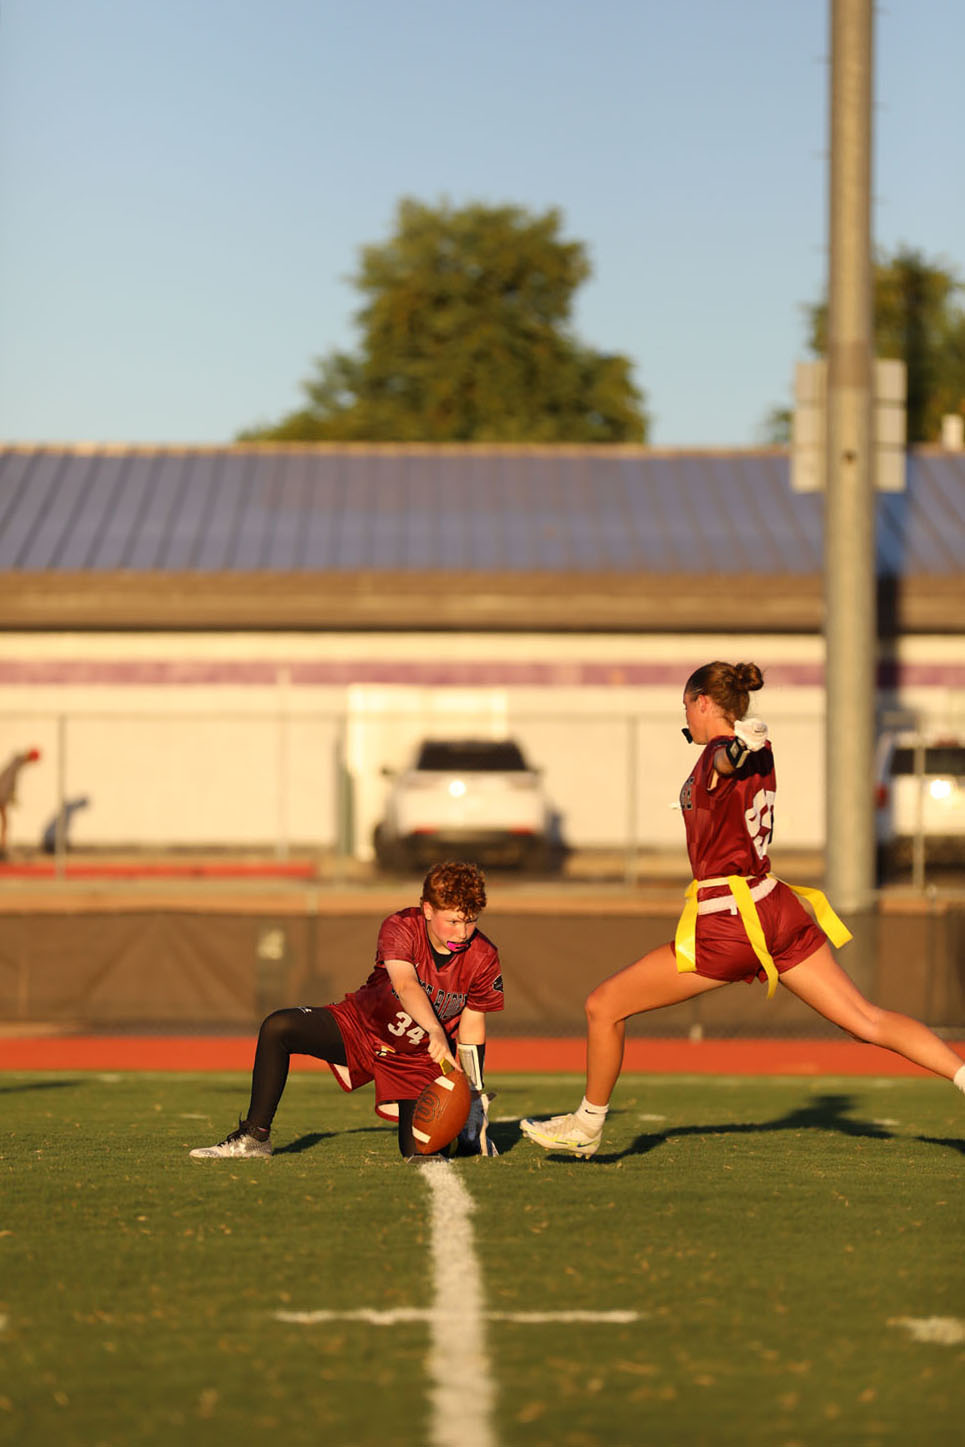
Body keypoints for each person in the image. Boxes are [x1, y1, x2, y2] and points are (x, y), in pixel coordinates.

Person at [521, 660, 965, 1158]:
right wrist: (743, 744)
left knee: (604, 1006)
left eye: (687, 704)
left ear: (704, 702)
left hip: (731, 918)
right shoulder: (760, 748)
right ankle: (963, 1075)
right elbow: (736, 763)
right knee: (867, 1019)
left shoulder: (724, 749)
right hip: (775, 904)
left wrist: (733, 745)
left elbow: (724, 761)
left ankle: (587, 1124)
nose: (685, 715)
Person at [191, 859, 503, 1160]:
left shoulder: (483, 956)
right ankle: (254, 1137)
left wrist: (471, 1093)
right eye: (453, 921)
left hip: (417, 1059)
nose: (462, 933)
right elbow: (406, 985)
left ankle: (466, 1131)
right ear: (427, 910)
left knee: (420, 1152)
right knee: (278, 1027)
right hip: (361, 1027)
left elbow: (472, 1027)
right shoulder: (402, 926)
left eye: (471, 920)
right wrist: (435, 1028)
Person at [0, 748, 41, 857]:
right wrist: (5, 797)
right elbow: (7, 781)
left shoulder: (17, 762)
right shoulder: (17, 763)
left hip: (3, 795)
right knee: (5, 822)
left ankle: (3, 846)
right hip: (2, 796)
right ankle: (2, 847)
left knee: (5, 822)